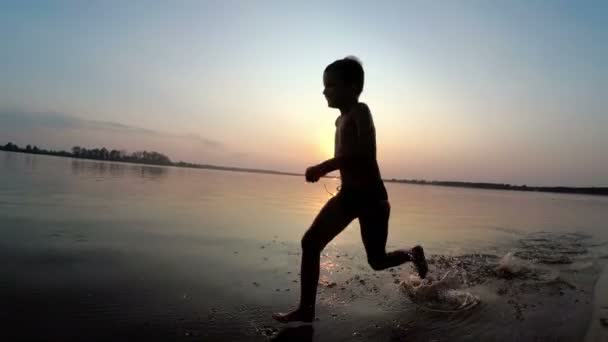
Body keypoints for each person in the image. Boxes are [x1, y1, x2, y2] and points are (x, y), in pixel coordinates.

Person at [272, 56, 428, 323]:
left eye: (331, 85)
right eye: (324, 85)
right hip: (349, 196)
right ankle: (306, 310)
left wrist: (324, 166)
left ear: (353, 87)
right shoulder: (338, 121)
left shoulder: (361, 111)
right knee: (310, 242)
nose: (324, 91)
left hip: (372, 198)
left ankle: (412, 254)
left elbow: (364, 154)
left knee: (376, 261)